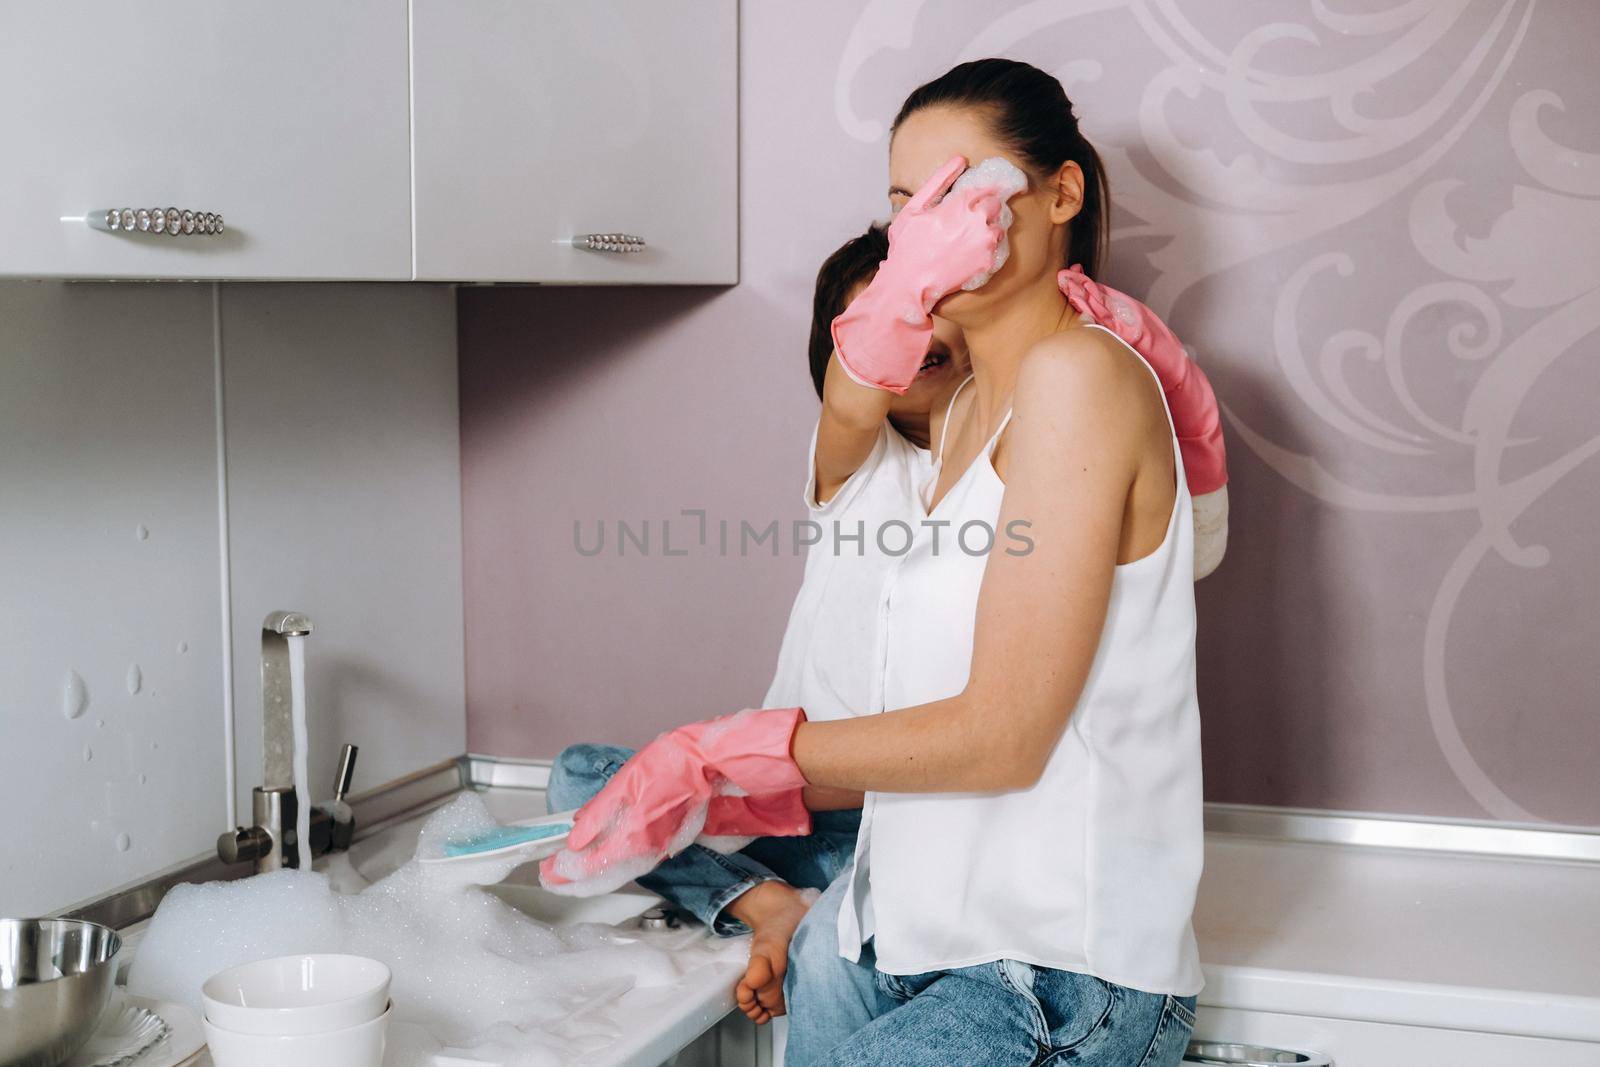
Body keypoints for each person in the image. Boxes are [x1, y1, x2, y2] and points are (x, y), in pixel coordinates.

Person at [542, 58, 1227, 1066]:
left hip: (1049, 968)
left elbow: (1003, 736)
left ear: (1060, 193)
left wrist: (720, 752)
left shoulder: (1083, 378)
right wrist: (893, 298)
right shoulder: (952, 418)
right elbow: (850, 416)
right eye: (907, 203)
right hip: (890, 928)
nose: (930, 225)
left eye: (962, 187)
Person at [544, 225, 972, 1025]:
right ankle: (764, 902)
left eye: (935, 303)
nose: (914, 327)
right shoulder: (854, 459)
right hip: (782, 804)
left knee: (851, 944)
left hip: (899, 820)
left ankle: (805, 917)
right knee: (578, 777)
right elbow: (853, 403)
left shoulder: (998, 477)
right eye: (884, 315)